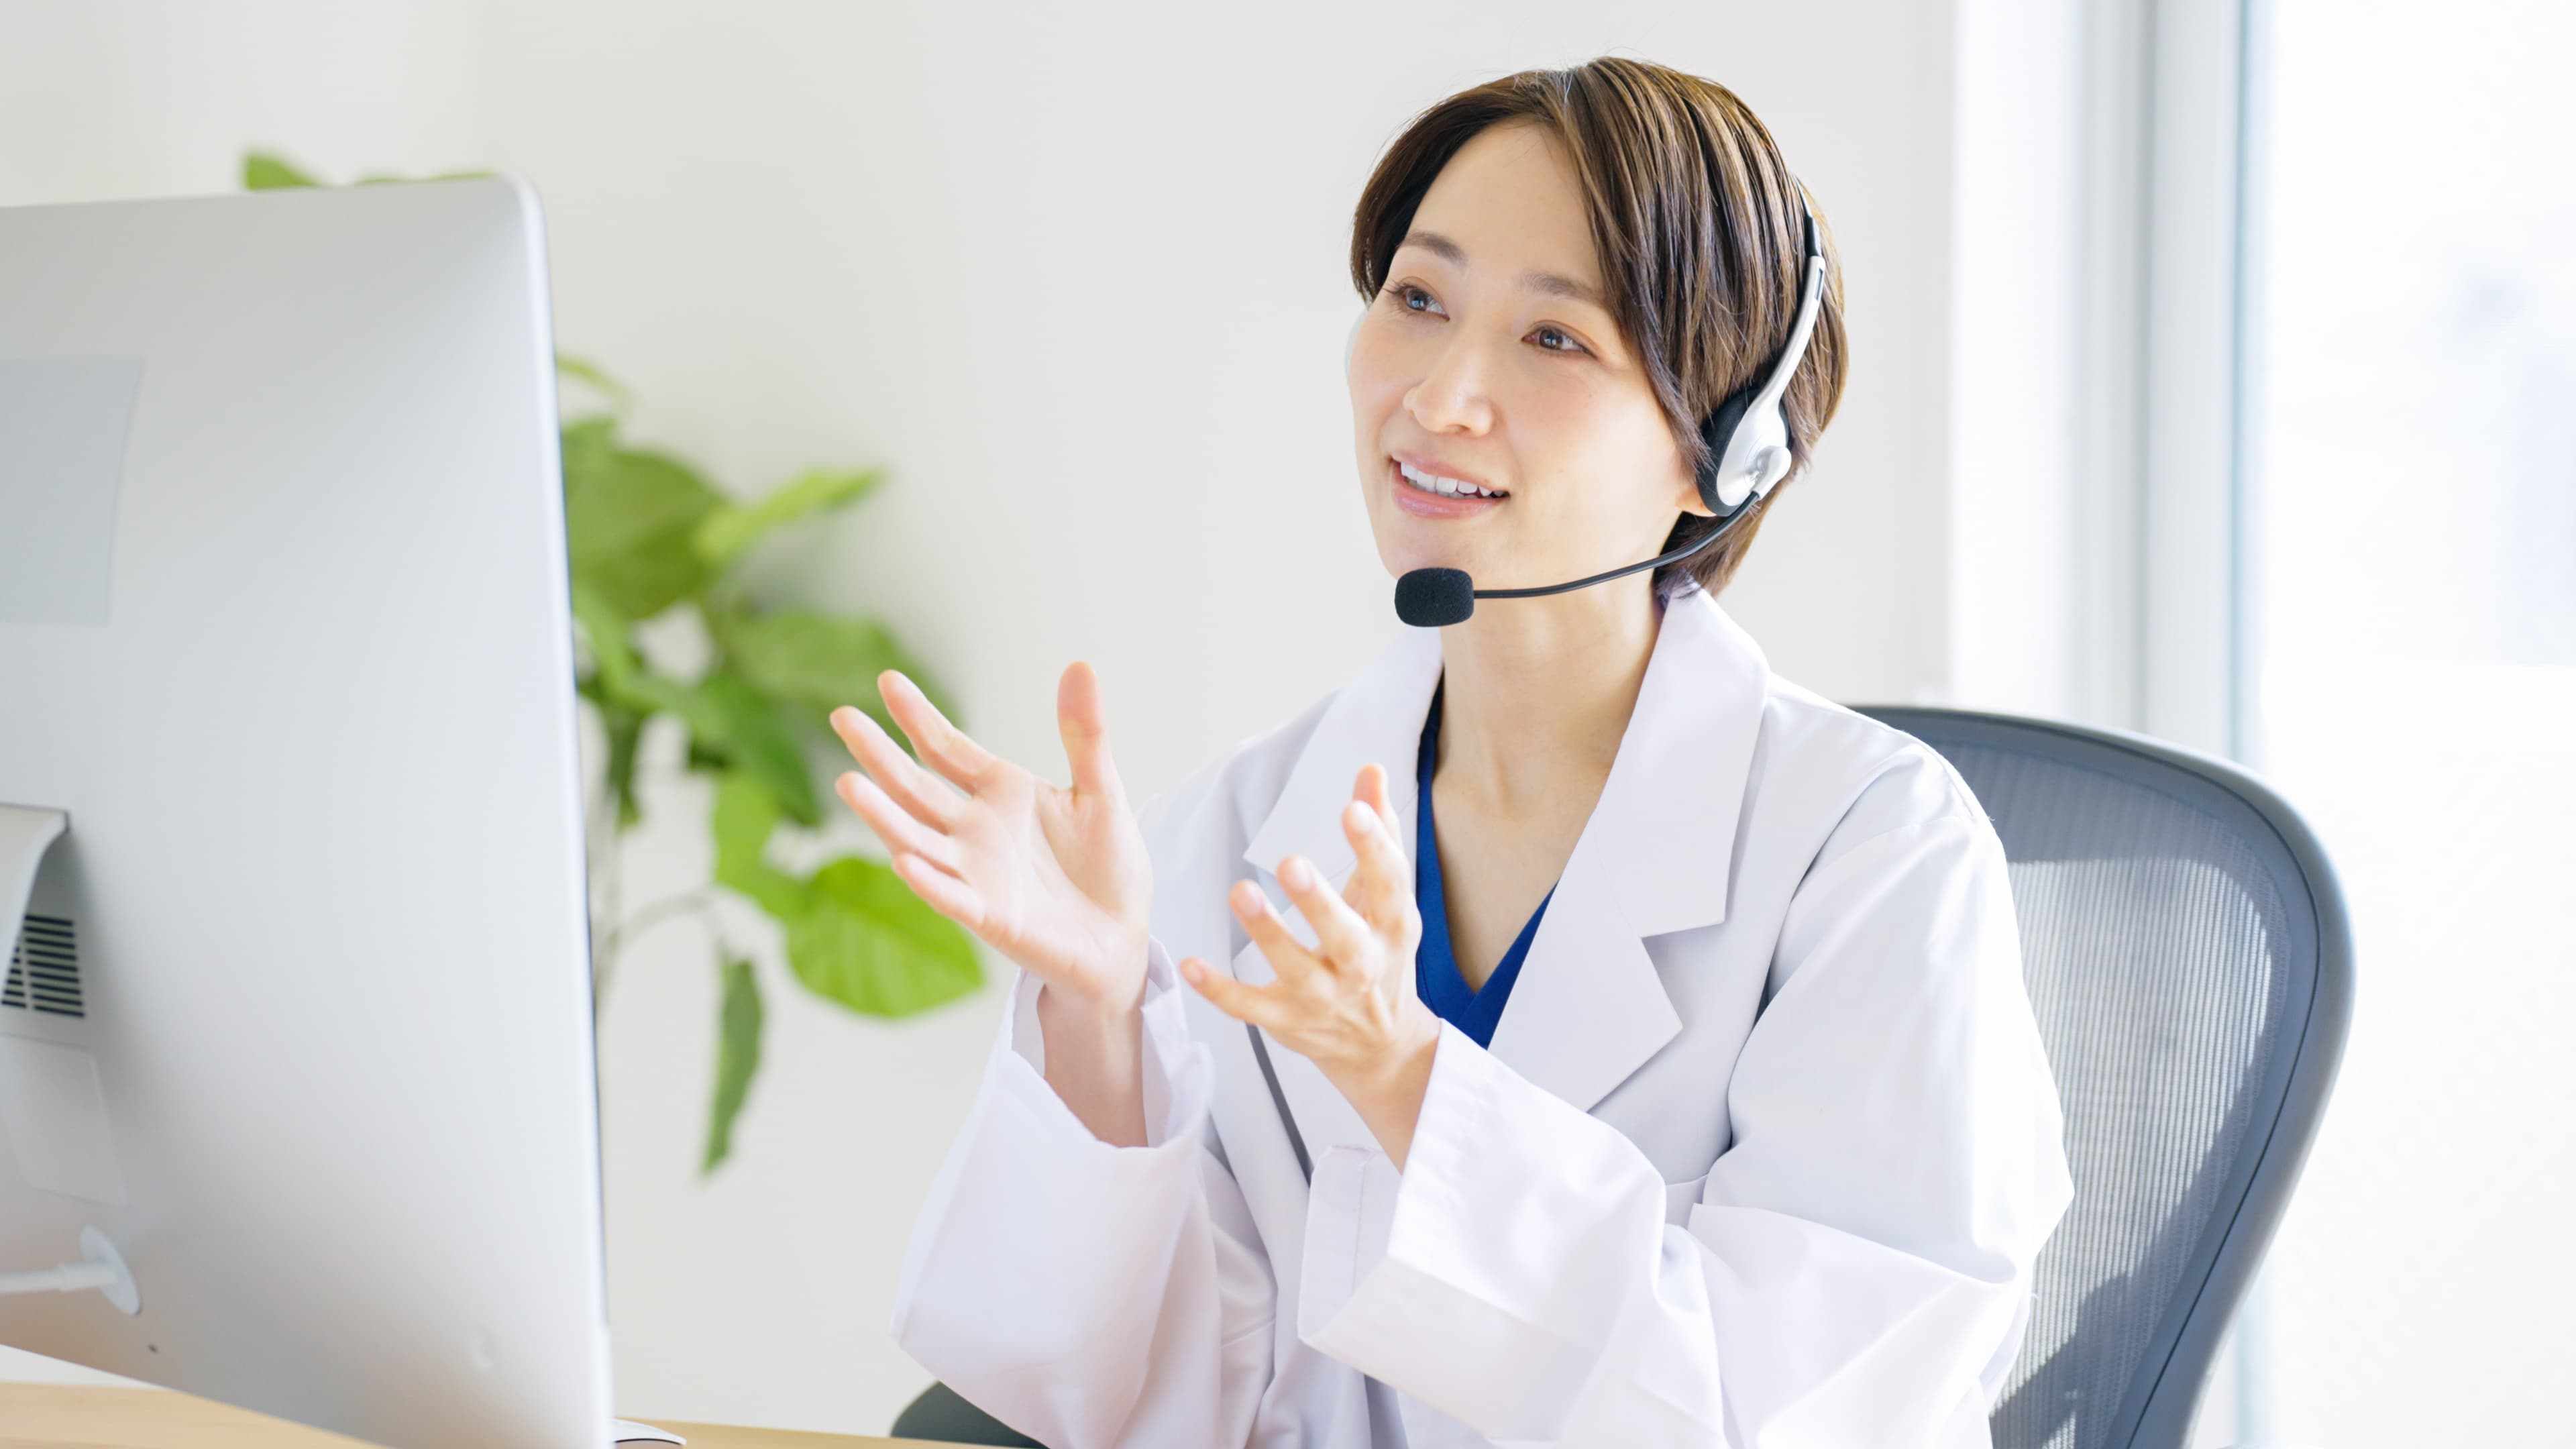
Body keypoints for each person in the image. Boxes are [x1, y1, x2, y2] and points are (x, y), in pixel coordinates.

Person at [830, 57, 2072, 1449]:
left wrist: (1414, 1083)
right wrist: (1103, 1020)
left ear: (1720, 452)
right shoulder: (1228, 833)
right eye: (1418, 300)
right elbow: (1113, 1409)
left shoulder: (1873, 859)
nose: (1440, 395)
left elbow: (1806, 1413)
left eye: (1555, 340)